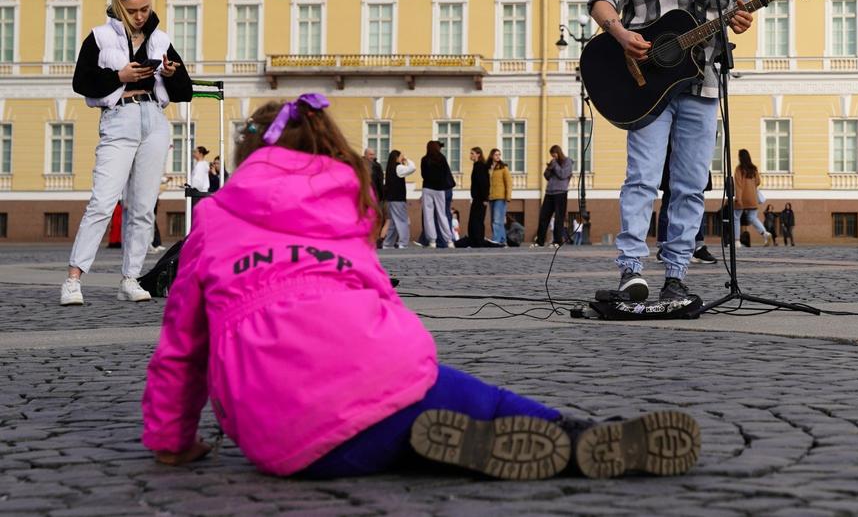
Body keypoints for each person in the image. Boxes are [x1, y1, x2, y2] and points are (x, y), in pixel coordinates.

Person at [141, 93, 700, 481]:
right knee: (454, 393)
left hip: (283, 438)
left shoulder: (213, 219)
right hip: (380, 377)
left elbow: (182, 350)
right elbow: (374, 297)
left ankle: (435, 447)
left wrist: (172, 442)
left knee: (380, 419)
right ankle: (570, 434)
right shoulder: (345, 202)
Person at [590, 0, 752, 302]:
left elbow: (735, 4)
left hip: (702, 80)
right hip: (647, 85)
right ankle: (631, 270)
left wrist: (740, 15)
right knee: (641, 178)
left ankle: (677, 271)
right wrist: (620, 34)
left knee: (690, 182)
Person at [59, 0, 192, 306]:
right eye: (133, 10)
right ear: (120, 6)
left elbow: (185, 91)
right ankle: (74, 278)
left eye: (144, 9)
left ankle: (130, 278)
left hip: (154, 120)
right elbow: (81, 82)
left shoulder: (160, 40)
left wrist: (172, 75)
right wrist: (120, 76)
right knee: (103, 202)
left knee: (144, 207)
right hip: (119, 117)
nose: (140, 15)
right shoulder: (100, 37)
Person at [654, 142, 718, 264]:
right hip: (671, 163)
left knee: (696, 206)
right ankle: (663, 246)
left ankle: (698, 246)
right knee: (668, 206)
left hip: (695, 163)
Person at [455, 148, 503, 248]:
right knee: (474, 220)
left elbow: (484, 184)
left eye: (472, 153)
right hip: (477, 198)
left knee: (477, 220)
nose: (470, 155)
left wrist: (485, 198)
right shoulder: (478, 166)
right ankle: (475, 239)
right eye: (470, 153)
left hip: (480, 199)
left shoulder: (480, 166)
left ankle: (477, 240)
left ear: (478, 154)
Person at [533, 145, 573, 247]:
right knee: (543, 216)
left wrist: (555, 165)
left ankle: (557, 241)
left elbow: (563, 174)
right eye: (552, 155)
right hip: (549, 192)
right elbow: (546, 176)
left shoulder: (567, 161)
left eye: (554, 154)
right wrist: (549, 168)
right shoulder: (553, 162)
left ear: (558, 153)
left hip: (560, 192)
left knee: (559, 218)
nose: (553, 157)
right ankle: (540, 241)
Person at [419, 140, 455, 248]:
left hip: (428, 188)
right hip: (440, 189)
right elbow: (445, 174)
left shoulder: (424, 159)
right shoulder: (442, 159)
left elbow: (423, 175)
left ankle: (432, 241)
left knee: (428, 215)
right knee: (442, 214)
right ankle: (449, 240)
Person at [733, 149, 770, 247]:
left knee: (736, 218)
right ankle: (765, 233)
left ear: (740, 157)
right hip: (752, 198)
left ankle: (737, 241)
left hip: (742, 198)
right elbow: (758, 182)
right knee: (752, 217)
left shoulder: (739, 169)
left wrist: (738, 199)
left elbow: (738, 185)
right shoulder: (754, 169)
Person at [382, 150, 415, 249]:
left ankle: (387, 244)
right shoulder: (399, 167)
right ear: (397, 157)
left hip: (390, 199)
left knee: (393, 223)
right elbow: (412, 168)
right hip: (398, 199)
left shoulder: (390, 168)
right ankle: (403, 243)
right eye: (401, 156)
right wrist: (406, 160)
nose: (402, 157)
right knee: (402, 221)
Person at [487, 148, 512, 245]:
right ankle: (503, 240)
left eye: (499, 154)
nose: (498, 156)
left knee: (497, 220)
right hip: (491, 197)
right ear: (492, 156)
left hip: (501, 196)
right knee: (497, 220)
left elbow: (509, 182)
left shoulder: (503, 167)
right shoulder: (488, 167)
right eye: (496, 154)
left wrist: (508, 196)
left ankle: (496, 240)